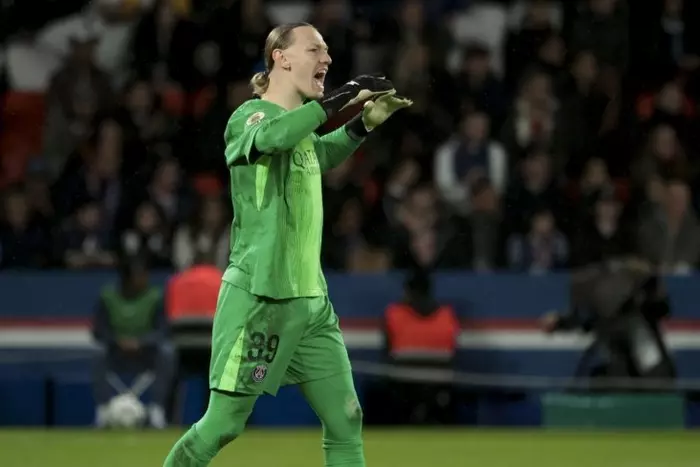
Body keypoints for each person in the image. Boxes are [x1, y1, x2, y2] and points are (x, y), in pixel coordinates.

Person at [164, 22, 411, 467]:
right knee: (223, 425)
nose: (327, 58)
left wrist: (363, 124)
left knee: (346, 418)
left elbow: (318, 154)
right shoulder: (250, 117)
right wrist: (346, 95)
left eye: (327, 51)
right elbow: (274, 139)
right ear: (281, 57)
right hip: (261, 299)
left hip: (310, 302)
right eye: (315, 49)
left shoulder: (302, 131)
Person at [92, 259, 176, 429]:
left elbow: (162, 330)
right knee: (98, 354)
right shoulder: (108, 296)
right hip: (116, 352)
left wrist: (141, 342)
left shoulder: (155, 296)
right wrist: (118, 341)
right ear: (128, 279)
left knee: (167, 353)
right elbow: (99, 331)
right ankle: (103, 409)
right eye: (140, 276)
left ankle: (157, 409)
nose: (145, 279)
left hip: (146, 352)